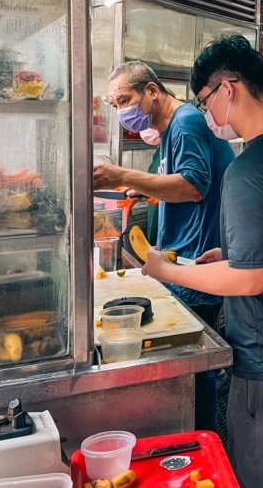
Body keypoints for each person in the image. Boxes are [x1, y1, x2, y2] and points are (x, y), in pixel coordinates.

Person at [141, 35, 263, 488]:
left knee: (260, 477)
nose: (206, 115)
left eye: (205, 101)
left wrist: (169, 271)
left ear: (228, 89)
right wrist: (230, 253)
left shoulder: (249, 170)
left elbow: (250, 279)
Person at [92, 61, 234, 430]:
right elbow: (179, 181)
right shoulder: (172, 128)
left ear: (152, 91)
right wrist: (145, 187)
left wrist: (121, 174)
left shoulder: (185, 123)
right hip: (181, 257)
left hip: (194, 259)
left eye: (125, 99)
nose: (121, 110)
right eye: (114, 104)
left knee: (195, 364)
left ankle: (203, 437)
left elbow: (192, 186)